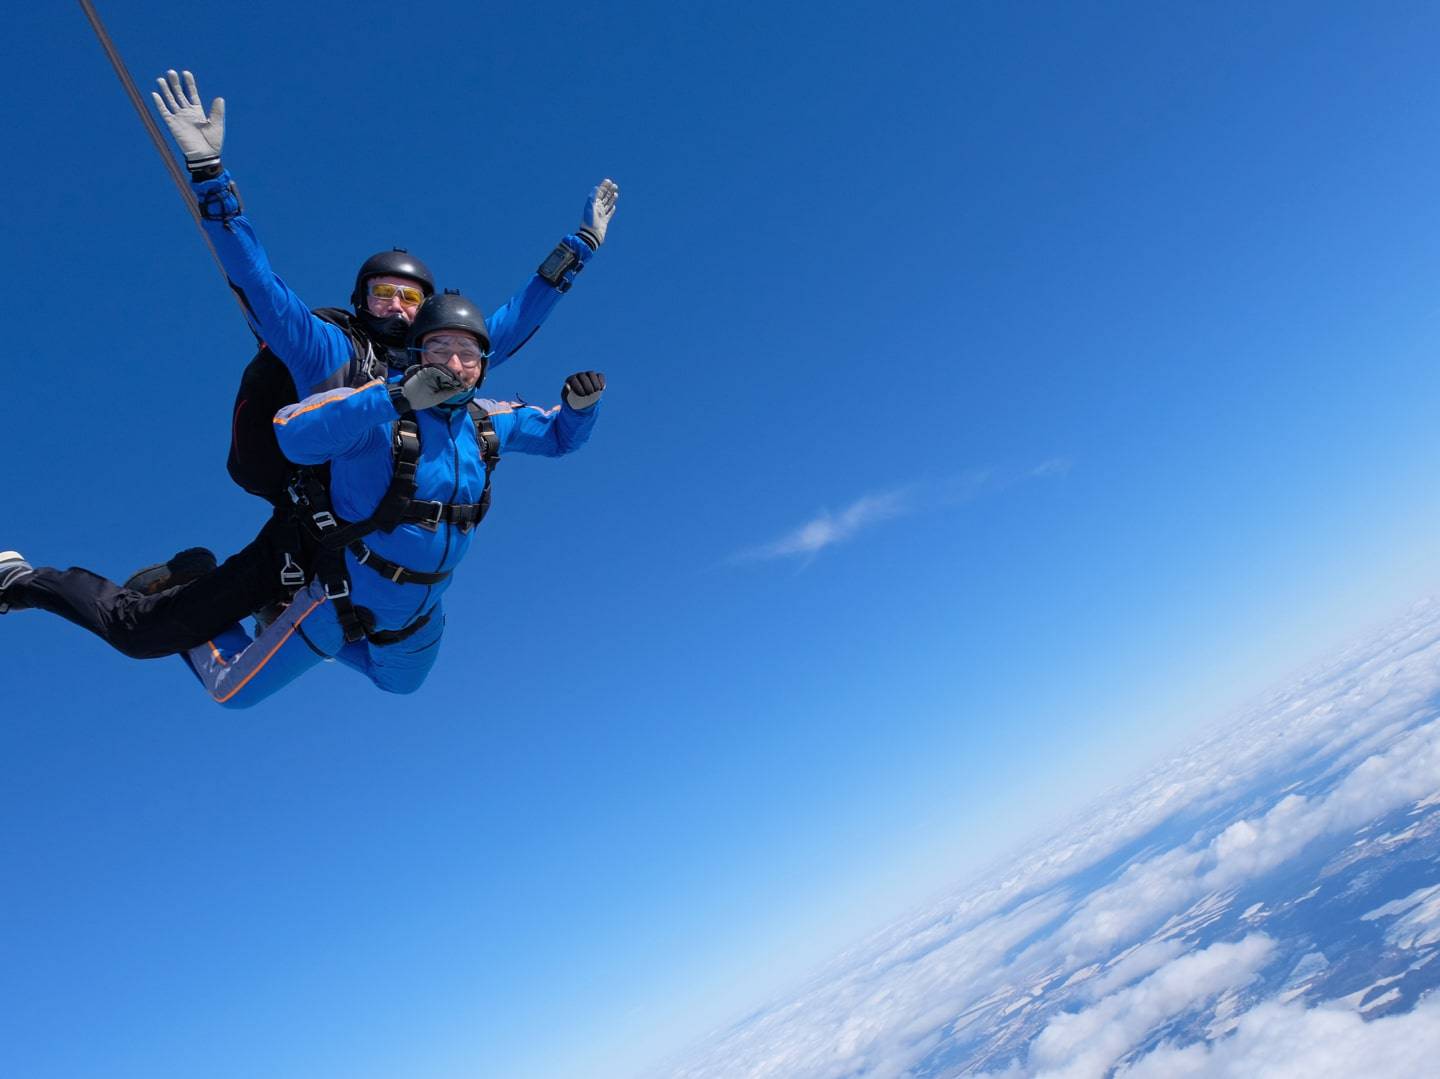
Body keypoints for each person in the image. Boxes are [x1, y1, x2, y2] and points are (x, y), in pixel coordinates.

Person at [0, 70, 618, 656]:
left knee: (358, 636)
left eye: (412, 299)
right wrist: (212, 179)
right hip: (308, 523)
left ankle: (210, 584)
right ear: (359, 300)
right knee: (142, 636)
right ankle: (24, 579)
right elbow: (256, 282)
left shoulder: (442, 359)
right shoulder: (328, 347)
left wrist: (579, 246)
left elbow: (515, 318)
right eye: (383, 294)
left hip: (355, 537)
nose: (399, 310)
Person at [182, 291, 604, 706]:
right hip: (343, 596)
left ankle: (275, 618)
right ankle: (193, 584)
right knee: (231, 689)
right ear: (418, 355)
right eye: (440, 350)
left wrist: (580, 411)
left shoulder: (489, 422)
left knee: (400, 684)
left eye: (468, 353)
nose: (455, 365)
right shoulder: (382, 410)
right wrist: (395, 396)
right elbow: (293, 433)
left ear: (483, 365)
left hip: (418, 613)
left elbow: (558, 437)